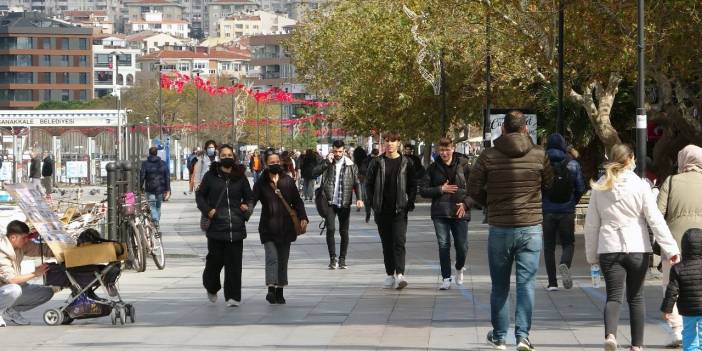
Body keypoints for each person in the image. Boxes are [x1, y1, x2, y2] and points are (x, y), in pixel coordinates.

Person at [467, 110, 554, 351]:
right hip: (531, 227)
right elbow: (550, 185)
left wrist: (491, 203)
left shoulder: (488, 156)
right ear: (526, 129)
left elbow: (472, 189)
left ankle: (499, 336)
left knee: (500, 285)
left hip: (500, 228)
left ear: (503, 129)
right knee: (526, 284)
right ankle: (523, 336)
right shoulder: (539, 154)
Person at [584, 143, 680, 351]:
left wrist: (592, 255)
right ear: (630, 160)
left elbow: (591, 224)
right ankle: (637, 345)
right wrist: (671, 248)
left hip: (609, 248)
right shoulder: (641, 185)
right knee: (636, 297)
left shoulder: (600, 186)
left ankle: (610, 334)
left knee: (613, 296)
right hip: (637, 246)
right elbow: (655, 220)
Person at [657, 144, 702, 347]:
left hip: (674, 242)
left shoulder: (671, 181)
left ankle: (677, 331)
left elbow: (658, 212)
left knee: (671, 283)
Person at [196, 145, 251, 307]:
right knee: (214, 262)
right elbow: (200, 197)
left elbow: (249, 197)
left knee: (234, 264)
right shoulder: (210, 176)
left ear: (234, 157)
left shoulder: (240, 177)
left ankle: (233, 297)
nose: (227, 157)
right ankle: (211, 286)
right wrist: (208, 211)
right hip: (216, 226)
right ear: (220, 157)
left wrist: (246, 209)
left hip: (236, 226)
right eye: (224, 155)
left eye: (229, 154)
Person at [249, 152, 308, 304]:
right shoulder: (261, 183)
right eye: (271, 162)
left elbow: (297, 201)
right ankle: (271, 289)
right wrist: (244, 213)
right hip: (267, 228)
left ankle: (280, 290)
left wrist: (303, 217)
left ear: (280, 162)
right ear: (266, 164)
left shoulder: (287, 180)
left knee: (282, 260)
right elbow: (252, 200)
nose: (275, 164)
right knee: (272, 258)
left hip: (286, 228)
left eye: (277, 161)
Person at [366, 132, 417, 290]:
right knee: (387, 243)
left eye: (393, 141)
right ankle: (390, 273)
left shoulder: (406, 162)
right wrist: (373, 204)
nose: (390, 144)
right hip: (382, 210)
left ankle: (400, 274)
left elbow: (412, 185)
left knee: (399, 242)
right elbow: (368, 184)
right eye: (387, 141)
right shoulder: (377, 162)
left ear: (399, 143)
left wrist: (410, 202)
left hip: (400, 209)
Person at [420, 137, 472, 290]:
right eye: (441, 150)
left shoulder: (465, 166)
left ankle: (459, 267)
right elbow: (423, 190)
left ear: (453, 149)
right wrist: (440, 189)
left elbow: (476, 189)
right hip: (440, 212)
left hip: (460, 210)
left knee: (462, 246)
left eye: (447, 149)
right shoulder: (432, 168)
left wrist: (466, 204)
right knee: (444, 245)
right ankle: (446, 277)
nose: (444, 153)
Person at [542, 133, 585, 291]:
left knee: (548, 247)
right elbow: (580, 187)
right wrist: (573, 201)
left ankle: (552, 283)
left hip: (547, 210)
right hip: (567, 210)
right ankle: (564, 263)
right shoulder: (572, 164)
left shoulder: (543, 163)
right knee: (568, 243)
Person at [312, 140, 363, 270]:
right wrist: (326, 162)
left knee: (344, 232)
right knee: (330, 229)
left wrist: (359, 198)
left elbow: (357, 183)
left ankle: (342, 259)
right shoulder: (328, 162)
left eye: (340, 151)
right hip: (329, 202)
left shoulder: (351, 165)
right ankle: (332, 259)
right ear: (332, 150)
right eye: (335, 151)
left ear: (344, 151)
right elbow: (314, 173)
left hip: (344, 202)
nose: (338, 154)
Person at [0, 220, 54, 327]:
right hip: (6, 289)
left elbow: (41, 249)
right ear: (13, 237)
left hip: (8, 289)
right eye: (24, 238)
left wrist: (63, 251)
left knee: (47, 292)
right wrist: (35, 273)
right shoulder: (1, 252)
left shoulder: (21, 244)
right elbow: (11, 280)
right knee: (14, 289)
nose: (26, 241)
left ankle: (8, 310)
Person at [661, 228, 702, 351]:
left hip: (687, 308)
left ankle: (690, 349)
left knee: (688, 331)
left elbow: (672, 291)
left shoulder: (678, 268)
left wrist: (666, 309)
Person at [139, 146, 171, 227]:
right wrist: (168, 189)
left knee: (152, 205)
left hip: (150, 188)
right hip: (160, 189)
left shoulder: (145, 164)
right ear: (157, 153)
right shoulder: (163, 163)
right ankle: (156, 220)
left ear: (149, 153)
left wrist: (140, 187)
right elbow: (167, 177)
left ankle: (155, 220)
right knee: (158, 206)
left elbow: (142, 176)